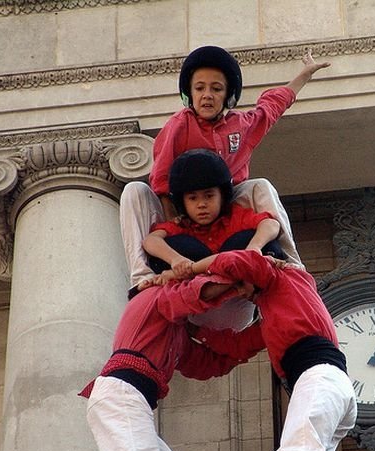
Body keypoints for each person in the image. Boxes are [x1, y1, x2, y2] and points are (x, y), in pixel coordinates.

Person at [121, 45, 330, 297]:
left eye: (216, 89)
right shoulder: (178, 125)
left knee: (260, 186)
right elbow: (162, 179)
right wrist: (174, 222)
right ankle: (141, 277)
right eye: (199, 88)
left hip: (228, 210)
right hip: (180, 214)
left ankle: (293, 266)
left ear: (228, 95)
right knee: (134, 191)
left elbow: (274, 104)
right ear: (189, 92)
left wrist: (305, 74)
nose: (207, 95)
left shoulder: (242, 126)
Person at [185, 250, 358, 451]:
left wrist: (188, 268)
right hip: (324, 383)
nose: (240, 292)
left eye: (241, 284)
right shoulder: (272, 313)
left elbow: (243, 262)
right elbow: (237, 345)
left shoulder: (287, 279)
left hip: (320, 376)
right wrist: (192, 331)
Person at [79, 273, 264, 451]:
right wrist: (235, 285)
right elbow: (192, 295)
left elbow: (210, 363)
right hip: (121, 392)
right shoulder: (152, 297)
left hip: (130, 398)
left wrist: (268, 333)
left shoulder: (175, 333)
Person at [142, 148, 282, 281]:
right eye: (193, 198)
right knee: (178, 245)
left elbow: (271, 224)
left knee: (265, 244)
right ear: (182, 202)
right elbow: (151, 241)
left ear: (222, 196)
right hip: (194, 289)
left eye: (209, 196)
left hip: (240, 284)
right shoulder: (182, 226)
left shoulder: (235, 216)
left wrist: (254, 247)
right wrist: (176, 259)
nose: (201, 204)